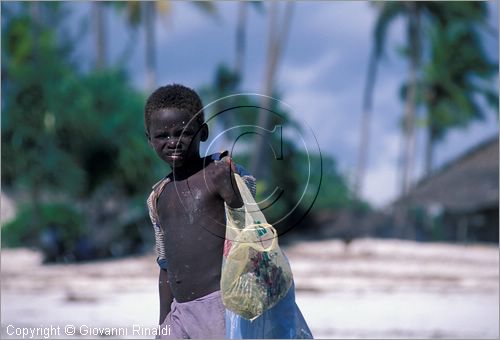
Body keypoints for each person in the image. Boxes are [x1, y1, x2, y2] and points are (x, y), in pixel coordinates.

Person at [145, 84, 312, 339]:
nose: (173, 142)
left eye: (183, 133)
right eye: (162, 136)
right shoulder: (159, 196)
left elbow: (249, 220)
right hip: (179, 312)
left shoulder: (219, 173)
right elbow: (165, 264)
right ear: (149, 139)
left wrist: (231, 189)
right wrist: (163, 321)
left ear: (203, 133)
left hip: (220, 307)